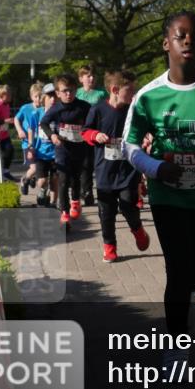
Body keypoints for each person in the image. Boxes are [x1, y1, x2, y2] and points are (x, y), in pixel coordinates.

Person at [122, 10, 195, 360]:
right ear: (166, 43)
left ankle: (191, 293)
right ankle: (175, 345)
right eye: (181, 35)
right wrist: (156, 168)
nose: (189, 41)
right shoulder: (149, 95)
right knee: (177, 270)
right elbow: (129, 145)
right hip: (168, 196)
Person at [83, 70, 150, 263]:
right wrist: (95, 135)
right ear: (114, 90)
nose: (133, 94)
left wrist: (146, 138)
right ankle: (109, 247)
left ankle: (137, 229)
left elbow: (144, 129)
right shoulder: (97, 110)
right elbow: (85, 131)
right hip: (105, 170)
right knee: (106, 211)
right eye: (130, 90)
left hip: (128, 170)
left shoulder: (132, 110)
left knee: (128, 204)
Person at [40, 74, 91, 228]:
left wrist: (89, 132)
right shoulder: (56, 109)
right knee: (63, 180)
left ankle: (75, 201)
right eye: (65, 91)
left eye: (72, 90)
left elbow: (93, 122)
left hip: (79, 148)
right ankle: (64, 213)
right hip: (62, 149)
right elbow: (44, 123)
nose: (68, 94)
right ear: (58, 93)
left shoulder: (84, 106)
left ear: (76, 90)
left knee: (75, 178)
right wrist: (52, 135)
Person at [77, 65, 109, 206]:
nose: (91, 78)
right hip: (81, 133)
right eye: (88, 76)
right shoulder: (77, 93)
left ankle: (101, 192)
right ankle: (85, 191)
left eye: (93, 76)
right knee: (85, 165)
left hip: (98, 132)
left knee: (98, 163)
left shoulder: (101, 93)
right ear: (81, 78)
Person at [26, 83, 58, 207]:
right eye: (50, 96)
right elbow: (31, 129)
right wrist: (30, 146)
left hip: (57, 153)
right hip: (41, 153)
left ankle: (54, 203)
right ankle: (43, 191)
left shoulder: (60, 113)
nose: (53, 99)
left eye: (55, 96)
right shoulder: (37, 113)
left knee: (55, 179)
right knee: (42, 181)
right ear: (43, 98)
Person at [14, 82, 45, 195]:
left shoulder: (45, 109)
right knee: (34, 168)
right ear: (31, 96)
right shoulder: (26, 108)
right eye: (36, 96)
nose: (38, 99)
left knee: (41, 167)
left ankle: (31, 179)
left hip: (41, 144)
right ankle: (25, 180)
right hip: (28, 143)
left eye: (41, 96)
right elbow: (16, 119)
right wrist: (20, 130)